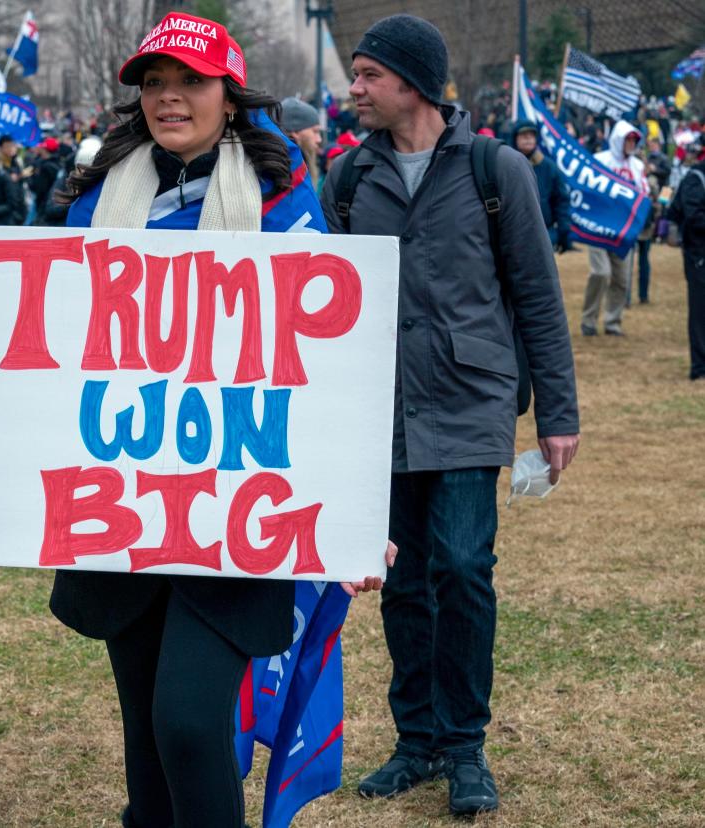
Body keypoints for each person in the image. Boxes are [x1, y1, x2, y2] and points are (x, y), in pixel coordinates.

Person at [50, 14, 389, 827]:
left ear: (229, 96)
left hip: (233, 508)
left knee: (190, 722)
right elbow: (54, 342)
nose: (170, 99)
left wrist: (354, 512)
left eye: (190, 83)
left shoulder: (283, 199)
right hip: (123, 503)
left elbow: (325, 368)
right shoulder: (98, 194)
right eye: (155, 84)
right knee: (146, 732)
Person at [320, 15, 580, 815]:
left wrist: (558, 414)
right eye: (354, 75)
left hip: (470, 401)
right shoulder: (347, 180)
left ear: (413, 85)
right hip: (380, 410)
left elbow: (537, 297)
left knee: (462, 569)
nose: (353, 90)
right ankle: (417, 742)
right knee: (398, 578)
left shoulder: (496, 170)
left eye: (366, 76)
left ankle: (466, 747)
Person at [583, 121, 647, 334]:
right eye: (627, 139)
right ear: (619, 139)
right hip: (600, 227)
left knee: (621, 279)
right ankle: (588, 321)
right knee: (600, 273)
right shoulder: (600, 161)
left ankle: (613, 322)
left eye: (634, 140)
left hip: (624, 231)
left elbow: (643, 194)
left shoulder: (637, 166)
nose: (631, 143)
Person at [668, 141, 705, 380]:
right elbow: (693, 217)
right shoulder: (696, 178)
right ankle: (699, 367)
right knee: (700, 311)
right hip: (698, 255)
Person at [511, 120, 573, 252]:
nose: (528, 138)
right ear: (515, 138)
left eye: (531, 135)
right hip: (512, 234)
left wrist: (563, 232)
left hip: (544, 233)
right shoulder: (506, 166)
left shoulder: (549, 167)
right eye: (523, 135)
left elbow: (561, 200)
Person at [280, 97, 323, 184]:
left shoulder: (297, 162)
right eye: (315, 131)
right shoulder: (288, 169)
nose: (319, 139)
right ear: (295, 132)